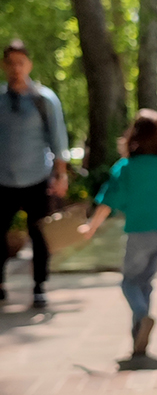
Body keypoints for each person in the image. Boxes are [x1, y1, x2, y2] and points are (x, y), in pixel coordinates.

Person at [79, 110, 157, 356]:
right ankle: (139, 335)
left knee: (129, 282)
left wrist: (90, 227)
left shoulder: (125, 167)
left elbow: (107, 202)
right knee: (145, 283)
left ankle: (142, 315)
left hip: (138, 233)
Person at [0, 39, 70, 308]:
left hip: (37, 178)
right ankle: (1, 283)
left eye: (21, 62)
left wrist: (60, 175)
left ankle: (39, 285)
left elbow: (58, 139)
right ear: (5, 66)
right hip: (3, 179)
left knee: (39, 235)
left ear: (28, 64)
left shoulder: (44, 99)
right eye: (11, 63)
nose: (16, 68)